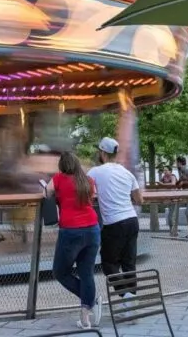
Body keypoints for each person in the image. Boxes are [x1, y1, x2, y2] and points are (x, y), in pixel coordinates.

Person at [46, 152, 101, 329]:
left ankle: (91, 300)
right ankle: (85, 318)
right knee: (86, 272)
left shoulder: (59, 179)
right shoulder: (87, 180)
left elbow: (47, 191)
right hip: (92, 228)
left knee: (60, 272)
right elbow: (93, 197)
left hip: (71, 230)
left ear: (62, 165)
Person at [88, 137, 142, 299]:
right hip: (132, 220)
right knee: (129, 263)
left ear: (102, 153)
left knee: (109, 263)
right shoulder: (127, 173)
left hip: (114, 223)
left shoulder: (95, 172)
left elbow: (85, 192)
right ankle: (131, 300)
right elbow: (139, 200)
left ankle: (125, 296)